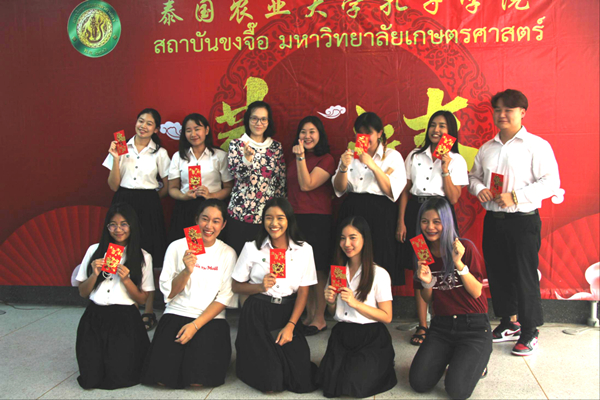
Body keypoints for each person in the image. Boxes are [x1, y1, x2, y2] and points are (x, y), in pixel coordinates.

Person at [468, 89, 560, 356]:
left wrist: (516, 196)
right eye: (497, 110)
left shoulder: (536, 145)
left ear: (522, 112)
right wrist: (479, 189)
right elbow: (473, 177)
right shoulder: (487, 148)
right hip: (494, 220)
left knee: (524, 276)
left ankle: (530, 331)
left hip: (523, 221)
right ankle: (509, 323)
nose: (502, 115)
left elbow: (551, 182)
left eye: (508, 110)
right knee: (498, 273)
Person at [142, 199, 237, 388]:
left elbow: (225, 297)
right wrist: (186, 271)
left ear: (223, 225)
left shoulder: (227, 253)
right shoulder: (177, 247)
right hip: (177, 312)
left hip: (210, 319)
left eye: (216, 221)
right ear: (196, 219)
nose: (209, 226)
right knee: (161, 379)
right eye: (205, 219)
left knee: (198, 380)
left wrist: (195, 325)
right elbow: (169, 292)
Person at [396, 110, 469, 345]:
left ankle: (442, 321)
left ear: (451, 132)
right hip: (417, 215)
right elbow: (405, 190)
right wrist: (401, 221)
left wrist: (445, 167)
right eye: (433, 125)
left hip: (442, 216)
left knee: (444, 266)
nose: (436, 130)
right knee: (422, 266)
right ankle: (423, 325)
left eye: (442, 126)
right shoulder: (414, 156)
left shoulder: (457, 160)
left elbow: (454, 198)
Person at [232, 197, 317, 393]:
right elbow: (236, 286)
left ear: (289, 220)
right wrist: (259, 287)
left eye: (280, 218)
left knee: (302, 379)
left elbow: (304, 291)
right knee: (271, 382)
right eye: (269, 218)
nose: (274, 223)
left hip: (287, 313)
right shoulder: (252, 248)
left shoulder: (304, 250)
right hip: (257, 312)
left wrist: (291, 325)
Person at [409, 197, 491, 400]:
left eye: (437, 221)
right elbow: (428, 299)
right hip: (442, 327)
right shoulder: (421, 251)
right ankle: (455, 357)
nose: (430, 227)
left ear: (447, 222)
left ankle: (475, 361)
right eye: (425, 221)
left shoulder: (464, 247)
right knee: (419, 382)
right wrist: (427, 282)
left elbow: (477, 292)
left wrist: (459, 264)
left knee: (457, 391)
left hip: (473, 328)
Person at [75, 203, 154, 389]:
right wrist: (94, 275)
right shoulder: (94, 250)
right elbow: (83, 292)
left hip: (125, 318)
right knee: (91, 378)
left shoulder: (143, 256)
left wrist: (126, 280)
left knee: (121, 376)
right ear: (107, 227)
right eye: (113, 225)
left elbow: (142, 299)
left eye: (124, 224)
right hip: (95, 317)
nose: (118, 229)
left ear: (132, 226)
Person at [103, 108, 170, 331]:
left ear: (156, 129)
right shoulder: (120, 146)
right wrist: (115, 158)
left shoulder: (160, 153)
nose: (143, 126)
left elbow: (167, 186)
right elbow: (113, 185)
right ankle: (111, 301)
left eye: (149, 123)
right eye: (141, 121)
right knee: (116, 248)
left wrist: (150, 201)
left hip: (149, 204)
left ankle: (148, 310)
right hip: (122, 200)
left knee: (147, 255)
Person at [318, 216, 397, 398]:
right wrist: (330, 302)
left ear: (364, 239)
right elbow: (333, 312)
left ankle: (383, 364)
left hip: (371, 336)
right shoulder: (337, 272)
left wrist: (356, 304)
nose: (347, 244)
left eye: (353, 237)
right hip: (342, 334)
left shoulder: (379, 274)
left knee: (353, 385)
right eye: (342, 238)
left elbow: (387, 316)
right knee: (330, 386)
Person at [332, 111, 407, 284]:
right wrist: (343, 167)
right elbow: (339, 188)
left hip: (381, 211)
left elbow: (392, 191)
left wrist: (372, 165)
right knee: (347, 253)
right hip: (353, 208)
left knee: (380, 255)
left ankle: (381, 298)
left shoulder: (392, 156)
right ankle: (341, 293)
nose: (364, 137)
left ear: (379, 133)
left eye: (368, 133)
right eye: (360, 133)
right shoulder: (350, 155)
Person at [288, 116, 335, 336]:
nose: (307, 136)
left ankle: (319, 317)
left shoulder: (326, 159)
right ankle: (307, 314)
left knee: (318, 269)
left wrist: (300, 158)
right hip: (294, 218)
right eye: (303, 132)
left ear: (320, 135)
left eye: (312, 132)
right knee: (300, 270)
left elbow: (307, 185)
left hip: (317, 218)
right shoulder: (293, 159)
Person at [227, 101, 286, 256]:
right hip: (240, 213)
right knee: (239, 258)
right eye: (254, 118)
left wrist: (280, 213)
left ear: (268, 121)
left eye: (263, 119)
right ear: (248, 120)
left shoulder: (276, 147)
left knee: (264, 261)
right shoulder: (236, 145)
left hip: (268, 218)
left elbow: (280, 183)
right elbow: (238, 176)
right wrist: (247, 159)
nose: (259, 123)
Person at [167, 113, 233, 244]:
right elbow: (172, 188)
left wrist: (211, 195)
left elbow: (228, 188)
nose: (193, 134)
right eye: (188, 130)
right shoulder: (178, 156)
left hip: (212, 209)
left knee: (210, 246)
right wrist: (184, 196)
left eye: (197, 129)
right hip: (187, 208)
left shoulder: (220, 156)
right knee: (192, 248)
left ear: (206, 130)